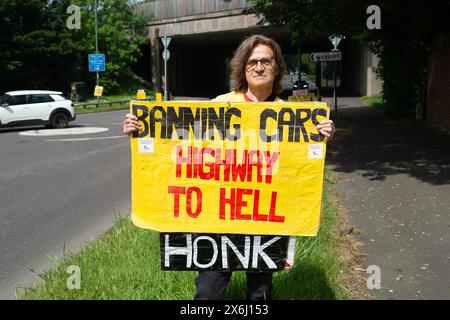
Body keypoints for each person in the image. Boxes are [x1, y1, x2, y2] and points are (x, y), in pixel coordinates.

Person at [123, 34, 335, 300]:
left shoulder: (292, 115)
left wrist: (321, 134)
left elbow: (302, 165)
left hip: (266, 217)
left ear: (278, 67)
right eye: (252, 62)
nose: (259, 68)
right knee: (208, 291)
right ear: (243, 69)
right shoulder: (222, 104)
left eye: (266, 62)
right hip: (219, 217)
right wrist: (142, 128)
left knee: (260, 292)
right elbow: (179, 136)